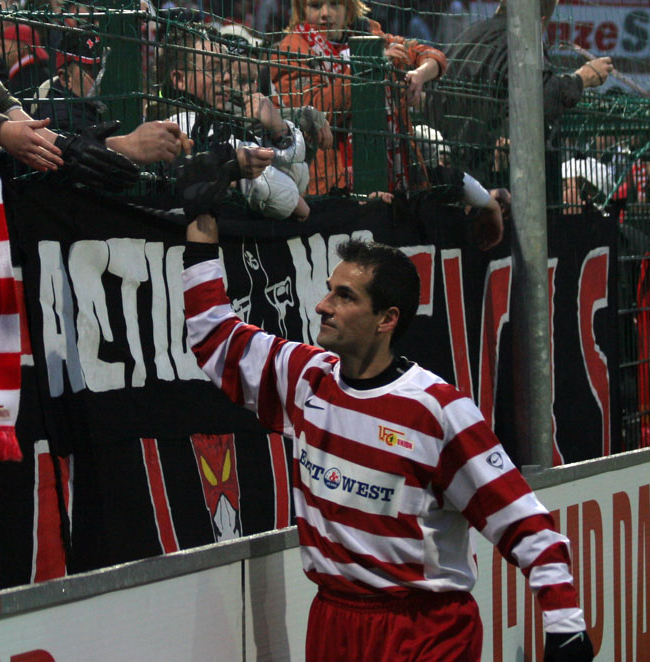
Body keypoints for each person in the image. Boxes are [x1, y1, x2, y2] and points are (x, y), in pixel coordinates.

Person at [180, 209, 594, 660]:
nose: (322, 306)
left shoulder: (437, 412)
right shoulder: (305, 378)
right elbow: (214, 336)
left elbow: (524, 522)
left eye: (344, 296)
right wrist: (201, 229)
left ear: (386, 319)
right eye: (329, 291)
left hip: (424, 631)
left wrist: (565, 625)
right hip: (334, 623)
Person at [424, 0, 613, 191]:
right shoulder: (522, 41)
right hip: (483, 176)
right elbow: (539, 98)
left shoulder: (469, 35)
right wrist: (581, 79)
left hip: (441, 167)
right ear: (541, 21)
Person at [271, 0, 448, 195]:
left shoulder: (368, 34)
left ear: (348, 8)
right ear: (301, 10)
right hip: (332, 183)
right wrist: (370, 65)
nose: (326, 13)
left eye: (335, 4)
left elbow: (430, 54)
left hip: (392, 169)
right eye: (315, 5)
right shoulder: (291, 49)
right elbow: (316, 110)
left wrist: (420, 75)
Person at [158, 23, 308, 220]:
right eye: (214, 68)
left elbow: (298, 175)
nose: (227, 77)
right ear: (180, 79)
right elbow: (277, 190)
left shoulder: (222, 121)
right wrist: (293, 200)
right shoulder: (181, 123)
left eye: (226, 68)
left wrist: (279, 130)